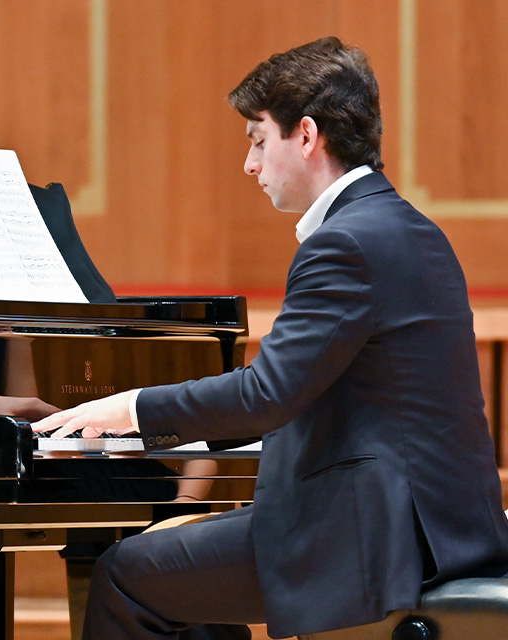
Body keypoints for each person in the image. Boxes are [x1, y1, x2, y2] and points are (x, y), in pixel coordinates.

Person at [32, 36, 508, 639]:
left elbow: (267, 395)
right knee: (182, 577)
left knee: (128, 575)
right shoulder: (408, 227)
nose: (250, 165)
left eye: (258, 140)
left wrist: (131, 408)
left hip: (378, 539)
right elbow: (317, 395)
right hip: (439, 526)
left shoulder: (346, 244)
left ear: (306, 136)